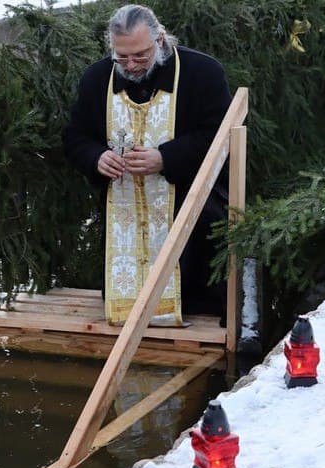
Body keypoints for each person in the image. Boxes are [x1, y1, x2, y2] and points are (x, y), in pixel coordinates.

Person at [63, 4, 231, 326]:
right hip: (122, 212)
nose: (131, 65)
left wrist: (165, 157)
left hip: (191, 207)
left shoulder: (203, 72)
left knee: (197, 294)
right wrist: (96, 158)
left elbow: (219, 137)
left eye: (140, 55)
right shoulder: (96, 78)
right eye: (121, 57)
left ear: (160, 39)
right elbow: (75, 137)